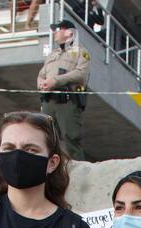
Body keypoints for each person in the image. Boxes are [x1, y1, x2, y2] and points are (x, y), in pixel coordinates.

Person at [38, 19, 90, 161]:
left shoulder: (81, 52)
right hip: (49, 100)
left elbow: (81, 74)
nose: (55, 32)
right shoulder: (52, 54)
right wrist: (42, 83)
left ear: (69, 32)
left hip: (67, 101)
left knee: (71, 138)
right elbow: (41, 74)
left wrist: (56, 81)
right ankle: (48, 172)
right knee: (45, 137)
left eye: (58, 29)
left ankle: (77, 172)